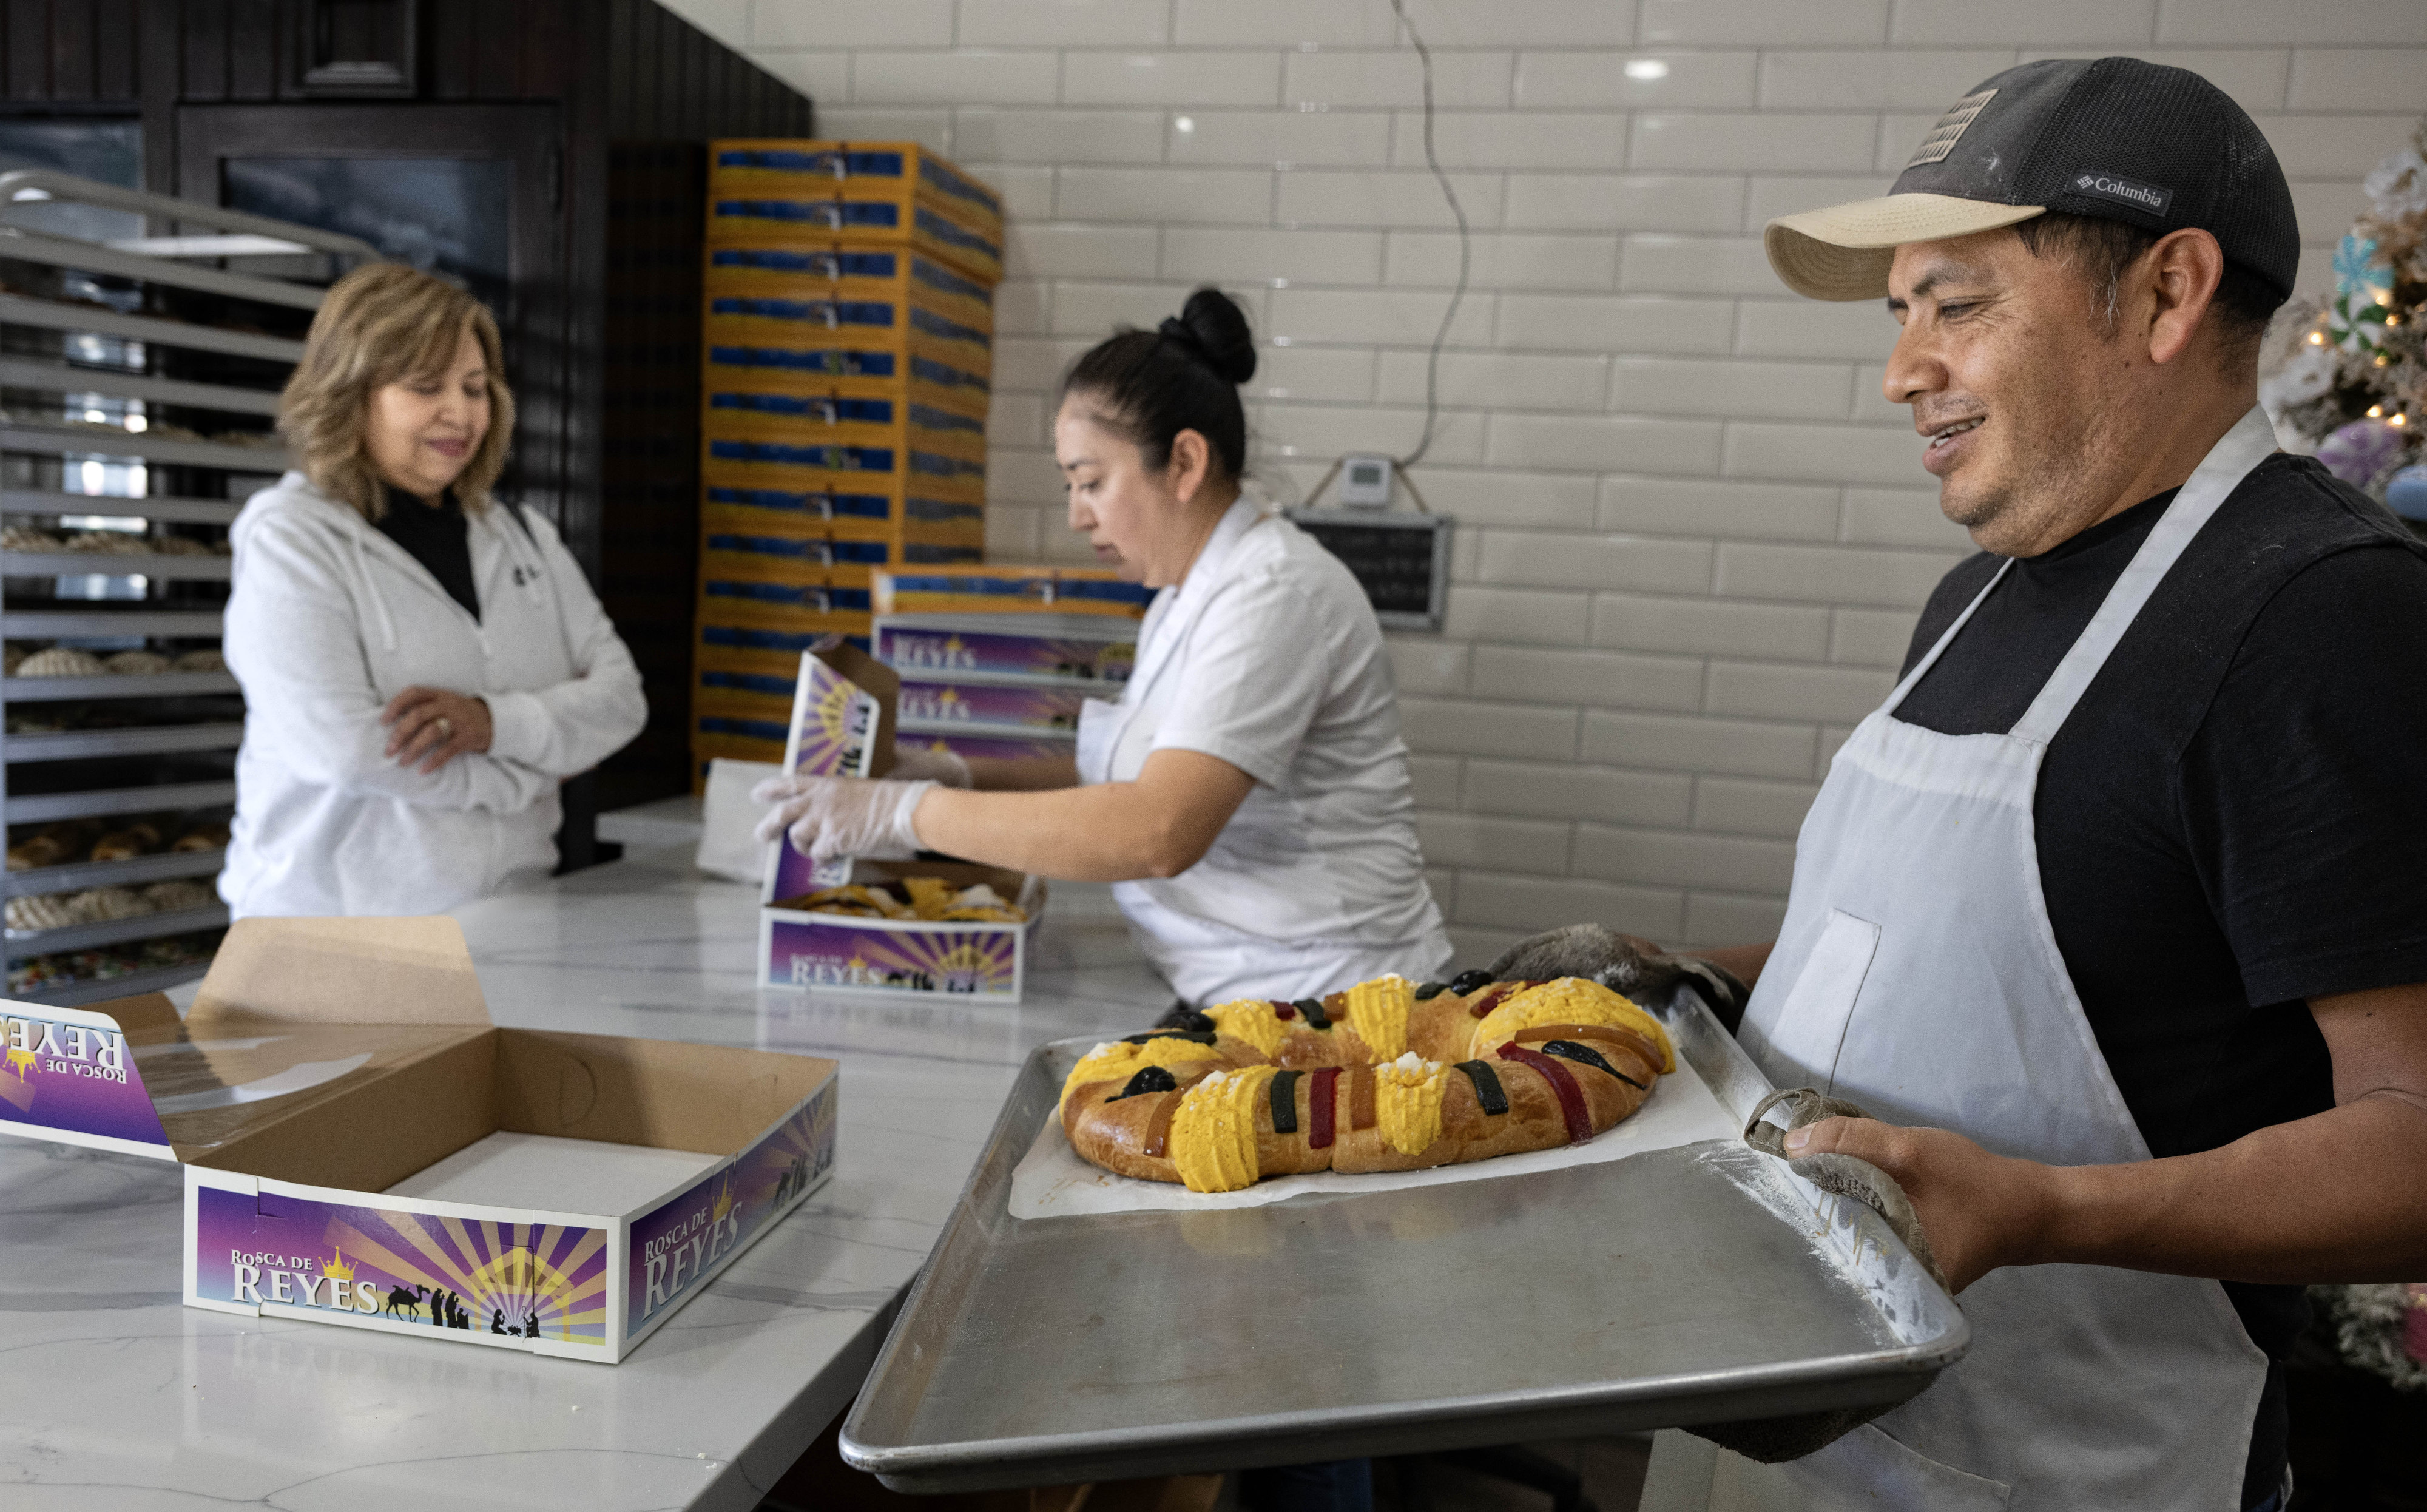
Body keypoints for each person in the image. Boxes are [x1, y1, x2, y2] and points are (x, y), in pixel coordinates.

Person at [1523, 58, 2427, 1511]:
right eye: (1898, 319)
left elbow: (2412, 1137)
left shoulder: (2322, 616)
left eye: (1955, 304)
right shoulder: (1973, 598)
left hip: (2066, 1466)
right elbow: (1939, 956)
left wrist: (2043, 1209)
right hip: (1781, 1407)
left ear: (2163, 292)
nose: (1900, 372)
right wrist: (1683, 977)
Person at [755, 288, 1453, 1009]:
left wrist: (903, 811)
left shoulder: (1275, 595)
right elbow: (1130, 770)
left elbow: (1157, 827)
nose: (1075, 513)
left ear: (1183, 462)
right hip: (1245, 989)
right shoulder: (1185, 596)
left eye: (1090, 480)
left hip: (1337, 1005)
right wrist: (958, 773)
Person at [220, 263, 646, 917]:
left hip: (512, 919)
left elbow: (620, 699)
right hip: (333, 937)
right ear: (350, 392)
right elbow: (345, 750)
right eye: (426, 387)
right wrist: (525, 776)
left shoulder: (522, 535)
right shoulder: (292, 539)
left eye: (476, 387)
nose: (462, 412)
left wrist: (494, 722)